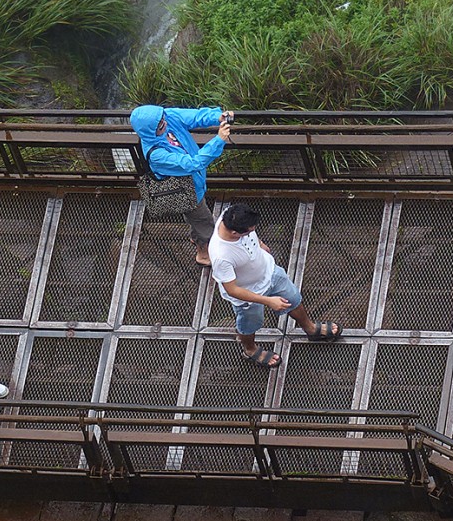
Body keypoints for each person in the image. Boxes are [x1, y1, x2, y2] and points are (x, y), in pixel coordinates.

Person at [208, 203, 341, 368]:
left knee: (293, 298)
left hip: (270, 272)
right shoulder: (222, 256)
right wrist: (268, 301)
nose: (252, 232)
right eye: (249, 231)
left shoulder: (231, 215)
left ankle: (311, 328)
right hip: (249, 295)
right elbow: (232, 289)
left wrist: (260, 245)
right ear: (235, 233)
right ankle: (250, 349)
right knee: (250, 324)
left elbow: (252, 233)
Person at [129, 103, 233, 266]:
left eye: (163, 118)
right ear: (150, 131)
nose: (166, 122)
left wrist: (217, 116)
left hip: (192, 184)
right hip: (185, 192)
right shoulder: (157, 155)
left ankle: (196, 237)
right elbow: (193, 163)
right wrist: (219, 140)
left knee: (197, 220)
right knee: (205, 223)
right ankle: (204, 254)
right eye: (161, 124)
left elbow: (194, 117)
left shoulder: (165, 117)